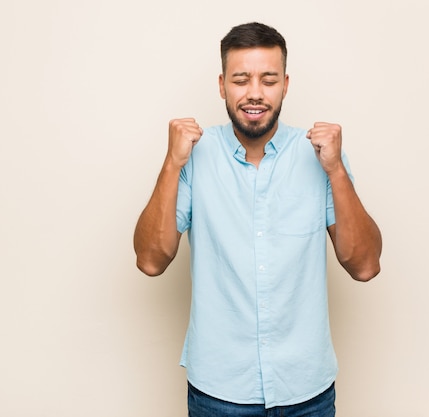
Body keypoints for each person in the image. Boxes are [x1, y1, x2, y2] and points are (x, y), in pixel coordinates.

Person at [133, 21, 382, 417]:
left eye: (268, 80)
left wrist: (335, 170)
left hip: (307, 393)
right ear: (221, 86)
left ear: (285, 84)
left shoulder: (320, 157)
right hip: (219, 394)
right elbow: (150, 260)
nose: (254, 93)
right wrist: (171, 162)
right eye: (241, 79)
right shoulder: (194, 156)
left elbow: (365, 265)